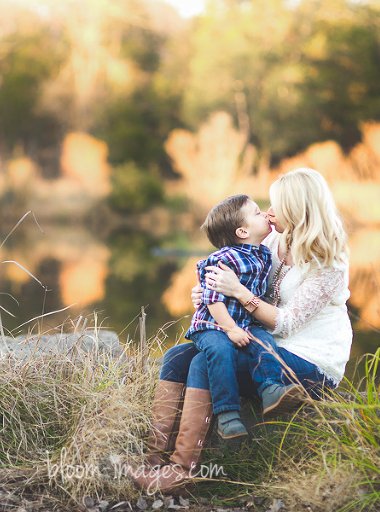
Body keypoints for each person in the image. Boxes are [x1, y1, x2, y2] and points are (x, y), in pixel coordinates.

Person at [129, 167, 352, 496]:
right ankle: (153, 459)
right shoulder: (274, 239)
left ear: (299, 209)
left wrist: (238, 293)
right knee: (178, 356)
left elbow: (284, 321)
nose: (270, 212)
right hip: (263, 343)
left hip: (309, 361)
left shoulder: (329, 261)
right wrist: (210, 292)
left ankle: (182, 470)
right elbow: (238, 278)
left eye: (277, 206)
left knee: (204, 363)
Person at [184, 194, 273, 440]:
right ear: (243, 232)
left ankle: (272, 389)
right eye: (257, 212)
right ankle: (227, 415)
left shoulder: (263, 253)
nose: (265, 214)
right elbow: (212, 299)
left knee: (265, 341)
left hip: (243, 323)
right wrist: (231, 328)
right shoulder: (225, 258)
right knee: (219, 350)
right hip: (213, 324)